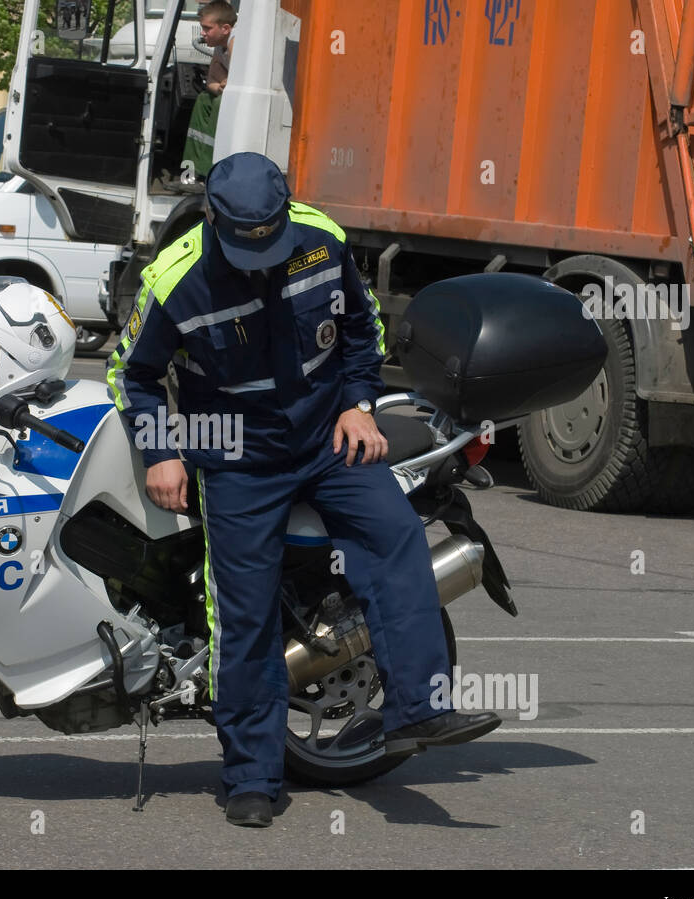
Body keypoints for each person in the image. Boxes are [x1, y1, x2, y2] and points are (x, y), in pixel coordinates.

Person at [105, 152, 501, 827]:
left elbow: (360, 330)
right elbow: (132, 374)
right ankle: (252, 776)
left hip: (327, 437)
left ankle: (418, 711)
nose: (259, 263)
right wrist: (161, 451)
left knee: (396, 537)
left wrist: (358, 403)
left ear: (287, 215)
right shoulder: (174, 279)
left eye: (271, 244)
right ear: (214, 221)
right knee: (244, 611)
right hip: (235, 452)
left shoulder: (322, 240)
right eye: (243, 248)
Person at [181, 0, 236, 179]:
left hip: (240, 103)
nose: (203, 33)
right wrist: (222, 85)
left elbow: (236, 82)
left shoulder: (237, 43)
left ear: (225, 29)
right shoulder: (220, 48)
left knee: (221, 102)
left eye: (207, 28)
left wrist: (225, 85)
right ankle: (192, 170)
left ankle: (210, 172)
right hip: (226, 94)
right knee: (204, 98)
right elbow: (212, 81)